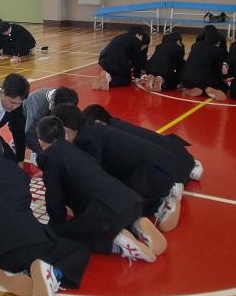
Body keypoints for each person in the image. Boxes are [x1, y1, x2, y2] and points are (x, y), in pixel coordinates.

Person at [0, 129, 90, 296]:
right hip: (27, 239)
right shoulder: (20, 173)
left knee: (11, 257)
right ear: (1, 149)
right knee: (79, 250)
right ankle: (52, 274)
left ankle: (3, 271)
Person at [36, 116, 166, 262]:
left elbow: (54, 199)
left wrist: (56, 226)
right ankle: (136, 224)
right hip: (130, 202)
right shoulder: (74, 148)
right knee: (105, 216)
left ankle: (116, 243)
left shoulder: (50, 158)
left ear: (40, 141)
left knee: (61, 234)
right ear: (64, 134)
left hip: (107, 213)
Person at [52, 104, 182, 232]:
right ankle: (160, 201)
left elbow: (94, 178)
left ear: (65, 130)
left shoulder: (89, 139)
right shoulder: (91, 128)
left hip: (154, 172)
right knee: (123, 202)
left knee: (112, 212)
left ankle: (164, 200)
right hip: (160, 167)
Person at [82, 104, 203, 183]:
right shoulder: (116, 124)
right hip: (177, 157)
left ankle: (180, 174)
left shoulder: (109, 134)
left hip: (167, 170)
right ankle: (187, 166)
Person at [23, 86, 79, 156]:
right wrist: (44, 155)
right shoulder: (38, 109)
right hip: (22, 120)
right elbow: (29, 135)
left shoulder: (62, 98)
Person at [93, 25, 148, 90]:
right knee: (126, 80)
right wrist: (137, 78)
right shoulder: (136, 41)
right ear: (138, 35)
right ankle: (109, 79)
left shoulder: (120, 37)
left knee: (119, 74)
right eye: (141, 36)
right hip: (114, 63)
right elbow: (137, 60)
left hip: (103, 61)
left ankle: (106, 77)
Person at [178, 29, 228, 100]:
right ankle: (207, 89)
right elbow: (217, 71)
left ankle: (189, 89)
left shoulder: (196, 45)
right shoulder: (218, 51)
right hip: (205, 81)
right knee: (223, 86)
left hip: (187, 80)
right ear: (218, 42)